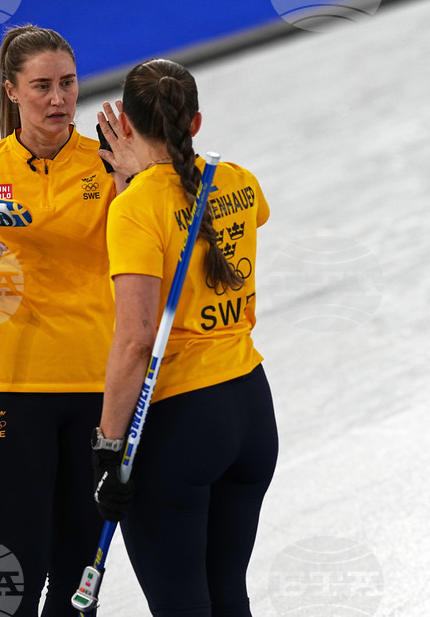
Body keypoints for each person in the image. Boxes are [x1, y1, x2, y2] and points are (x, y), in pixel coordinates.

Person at [0, 24, 131, 615]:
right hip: (10, 391)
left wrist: (131, 187)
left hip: (97, 388)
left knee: (77, 583)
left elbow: (150, 261)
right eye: (42, 86)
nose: (59, 99)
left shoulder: (110, 164)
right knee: (15, 580)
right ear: (11, 90)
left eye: (67, 83)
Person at [91, 58, 278, 616]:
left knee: (181, 605)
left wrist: (106, 444)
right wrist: (147, 175)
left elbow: (135, 340)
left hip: (180, 421)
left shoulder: (135, 210)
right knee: (227, 594)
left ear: (123, 121)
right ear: (194, 123)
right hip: (250, 408)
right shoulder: (238, 179)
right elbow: (231, 214)